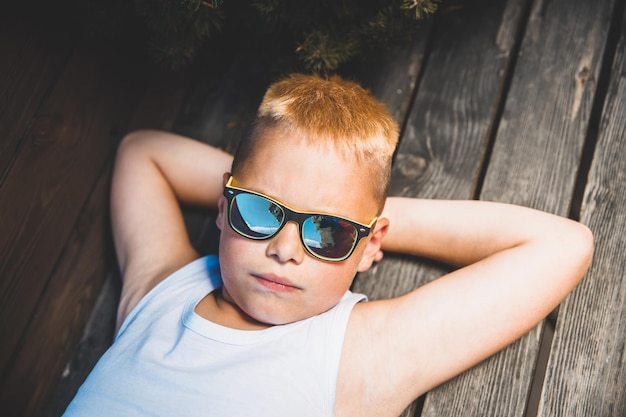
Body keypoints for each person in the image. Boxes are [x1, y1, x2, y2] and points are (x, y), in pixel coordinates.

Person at [62, 74, 593, 417]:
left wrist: (366, 220)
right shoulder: (162, 292)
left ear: (368, 245)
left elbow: (562, 243)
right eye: (259, 212)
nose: (286, 249)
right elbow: (143, 152)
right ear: (224, 208)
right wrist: (313, 202)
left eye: (327, 233)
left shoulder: (358, 355)